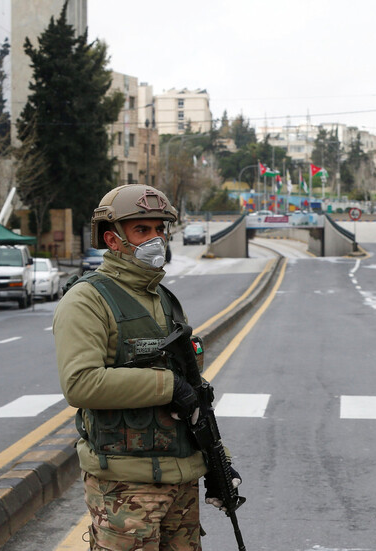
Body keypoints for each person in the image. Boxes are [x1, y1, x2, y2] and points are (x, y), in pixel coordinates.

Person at [54, 184, 236, 550]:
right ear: (113, 239)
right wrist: (167, 386)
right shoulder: (88, 299)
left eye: (159, 229)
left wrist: (219, 462)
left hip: (181, 479)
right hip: (125, 486)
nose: (156, 239)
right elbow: (80, 384)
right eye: (142, 230)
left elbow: (194, 393)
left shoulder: (165, 300)